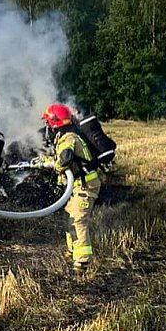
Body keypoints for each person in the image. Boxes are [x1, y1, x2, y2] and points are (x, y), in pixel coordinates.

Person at [32, 103, 101, 276]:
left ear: (54, 123)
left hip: (84, 185)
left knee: (78, 220)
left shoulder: (68, 137)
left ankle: (82, 262)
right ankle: (72, 252)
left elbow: (65, 159)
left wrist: (54, 165)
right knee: (70, 217)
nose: (46, 127)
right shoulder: (68, 136)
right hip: (77, 185)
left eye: (48, 123)